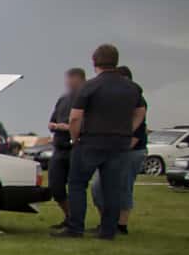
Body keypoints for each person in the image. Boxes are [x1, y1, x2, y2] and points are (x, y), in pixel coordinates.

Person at [54, 43, 143, 240]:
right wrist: (129, 129)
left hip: (91, 141)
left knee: (77, 184)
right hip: (119, 143)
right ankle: (108, 230)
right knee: (112, 187)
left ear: (95, 62)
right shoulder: (131, 88)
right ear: (116, 62)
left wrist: (75, 137)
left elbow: (75, 117)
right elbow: (140, 111)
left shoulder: (90, 87)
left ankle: (75, 228)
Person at [90, 66, 146, 235]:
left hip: (131, 151)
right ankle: (106, 222)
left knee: (123, 187)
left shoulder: (137, 101)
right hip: (114, 150)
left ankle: (121, 225)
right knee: (98, 187)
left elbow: (138, 131)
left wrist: (120, 148)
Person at [46, 67, 85, 227]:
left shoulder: (86, 99)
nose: (68, 82)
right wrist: (55, 126)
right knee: (55, 186)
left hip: (76, 148)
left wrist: (68, 128)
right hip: (59, 148)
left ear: (81, 80)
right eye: (68, 79)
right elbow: (51, 122)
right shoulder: (63, 99)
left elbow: (86, 124)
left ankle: (76, 222)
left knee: (76, 187)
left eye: (72, 79)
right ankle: (69, 216)